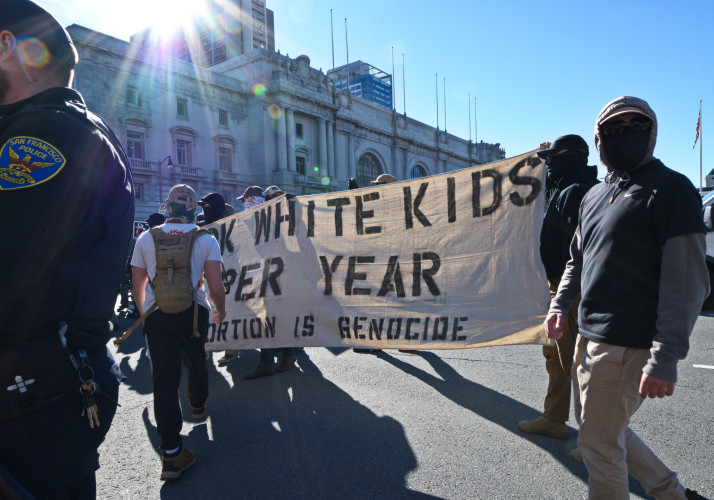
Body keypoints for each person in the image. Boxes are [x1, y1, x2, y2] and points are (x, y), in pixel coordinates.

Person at [544, 96, 709, 499]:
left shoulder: (672, 189)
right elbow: (576, 260)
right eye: (614, 128)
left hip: (627, 344)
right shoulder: (594, 195)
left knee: (598, 446)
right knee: (602, 431)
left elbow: (687, 281)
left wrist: (666, 355)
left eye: (636, 126)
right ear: (599, 139)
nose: (625, 134)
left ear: (651, 134)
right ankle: (670, 492)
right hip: (588, 337)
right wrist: (559, 305)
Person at [0, 1, 134, 497]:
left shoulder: (42, 135)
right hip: (44, 387)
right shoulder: (57, 126)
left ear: (6, 45)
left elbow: (13, 271)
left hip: (32, 394)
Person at [131, 184, 226, 481]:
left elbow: (137, 285)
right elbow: (215, 286)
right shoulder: (206, 238)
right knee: (197, 360)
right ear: (194, 208)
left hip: (156, 314)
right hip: (194, 313)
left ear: (167, 206)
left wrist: (145, 315)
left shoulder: (146, 237)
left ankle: (172, 454)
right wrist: (220, 309)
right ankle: (197, 404)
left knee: (164, 382)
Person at [518, 135, 598, 440]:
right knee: (558, 355)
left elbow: (574, 251)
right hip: (564, 285)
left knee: (571, 360)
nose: (548, 164)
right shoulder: (571, 186)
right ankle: (554, 418)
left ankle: (594, 440)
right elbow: (550, 191)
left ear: (569, 157)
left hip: (569, 287)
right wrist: (541, 159)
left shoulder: (577, 191)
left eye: (553, 158)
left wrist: (562, 295)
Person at [244, 185, 299, 378]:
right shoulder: (258, 219)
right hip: (268, 275)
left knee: (271, 319)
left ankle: (276, 359)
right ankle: (278, 358)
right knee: (271, 319)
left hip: (275, 276)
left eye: (247, 201)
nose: (245, 205)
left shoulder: (269, 219)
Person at [353, 173, 397, 354]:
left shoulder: (395, 205)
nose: (375, 188)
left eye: (379, 185)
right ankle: (376, 339)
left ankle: (378, 340)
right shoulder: (380, 203)